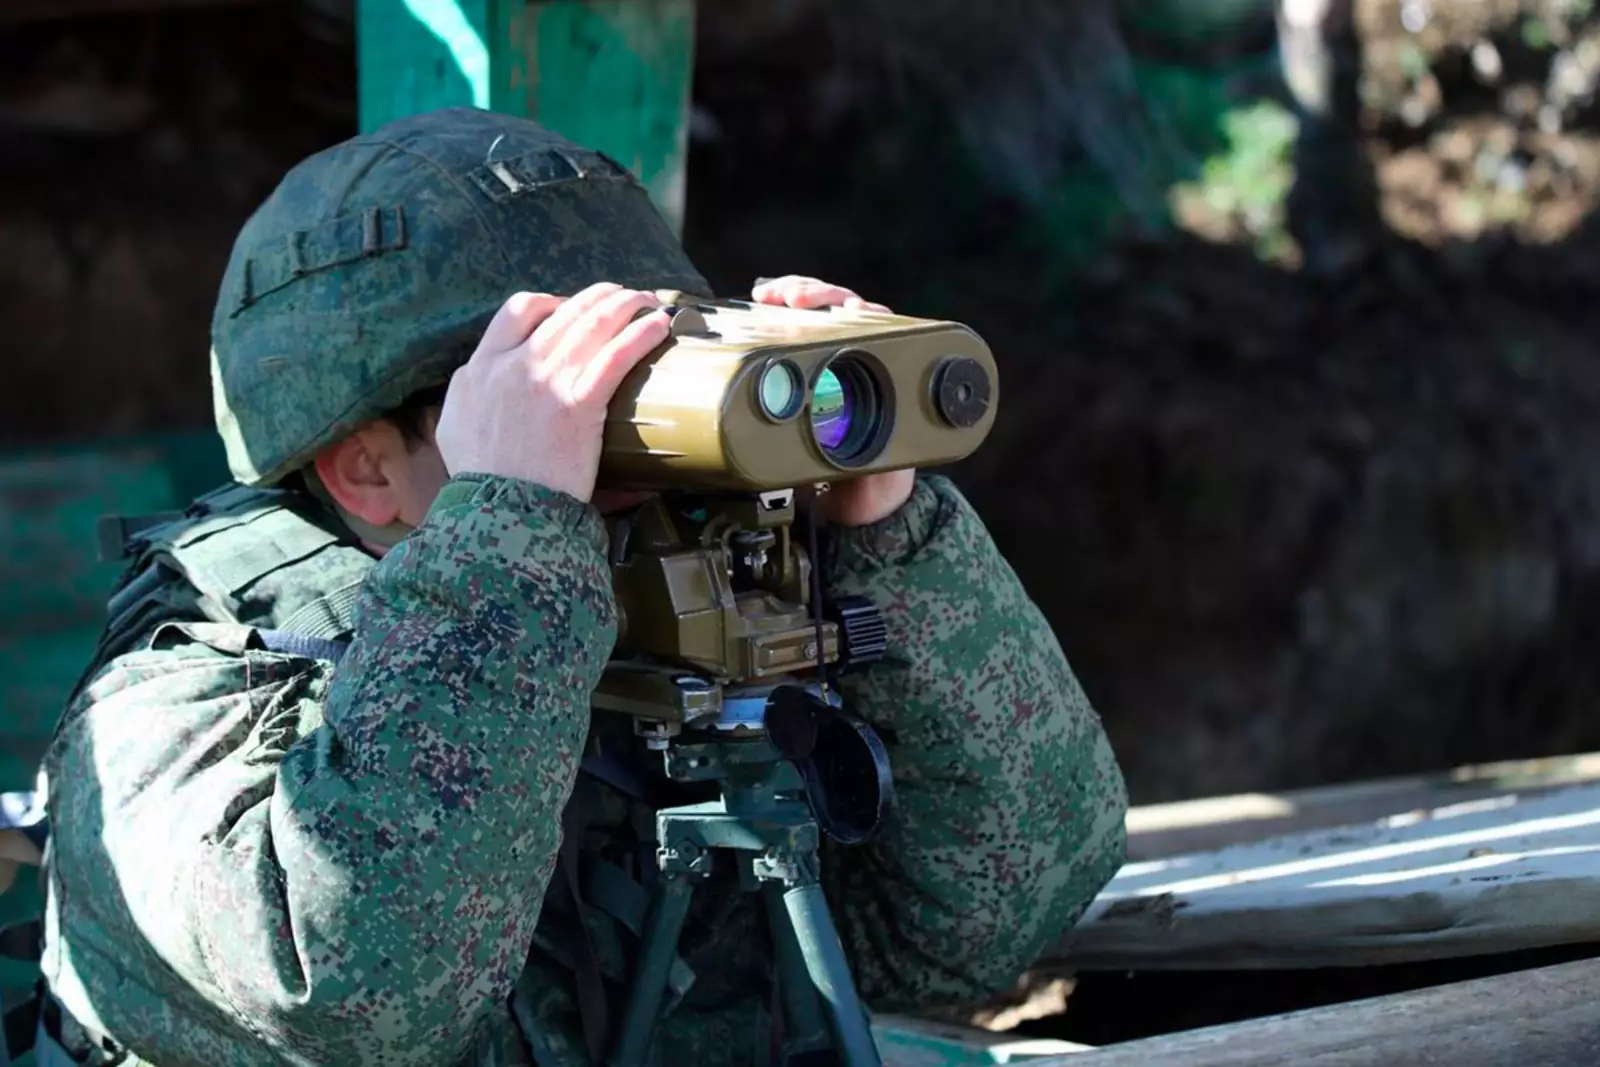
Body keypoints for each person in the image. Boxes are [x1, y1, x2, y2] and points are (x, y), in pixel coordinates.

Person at [21, 107, 1127, 1067]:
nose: (618, 459)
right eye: (550, 395)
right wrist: (513, 524)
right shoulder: (177, 699)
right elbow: (352, 1000)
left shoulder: (675, 599)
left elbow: (986, 923)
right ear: (364, 468)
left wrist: (890, 524)